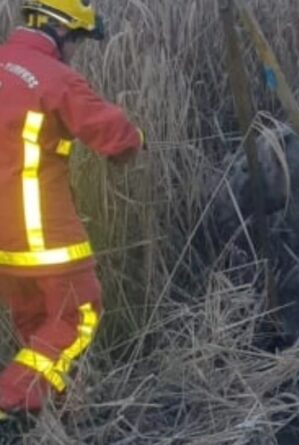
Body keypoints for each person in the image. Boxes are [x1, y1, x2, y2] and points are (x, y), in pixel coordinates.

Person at [0, 0, 145, 420]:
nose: (77, 49)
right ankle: (12, 399)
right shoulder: (54, 77)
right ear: (61, 31)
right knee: (81, 313)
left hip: (4, 244)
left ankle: (51, 413)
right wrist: (136, 138)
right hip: (40, 234)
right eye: (78, 40)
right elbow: (116, 139)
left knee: (37, 320)